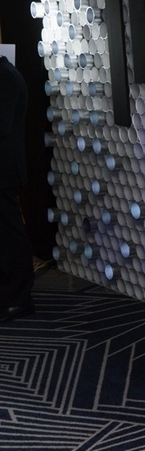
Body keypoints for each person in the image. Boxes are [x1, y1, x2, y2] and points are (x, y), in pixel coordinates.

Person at [0, 53, 34, 322]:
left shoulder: (5, 76)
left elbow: (3, 127)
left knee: (11, 234)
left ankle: (19, 299)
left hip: (4, 170)